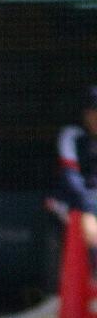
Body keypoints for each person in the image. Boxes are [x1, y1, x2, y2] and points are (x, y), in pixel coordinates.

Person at [59, 90, 97, 275]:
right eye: (94, 112)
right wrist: (89, 209)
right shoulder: (72, 135)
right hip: (74, 204)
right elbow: (70, 177)